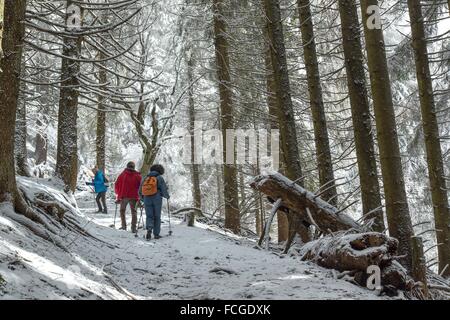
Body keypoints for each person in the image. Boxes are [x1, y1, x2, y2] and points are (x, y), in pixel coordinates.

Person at [140, 164, 170, 240]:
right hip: (157, 198)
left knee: (149, 215)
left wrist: (142, 198)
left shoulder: (146, 177)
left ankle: (149, 229)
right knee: (157, 216)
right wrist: (167, 196)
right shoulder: (159, 178)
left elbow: (140, 190)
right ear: (160, 171)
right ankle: (156, 234)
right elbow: (163, 189)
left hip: (147, 198)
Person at [115, 161, 142, 232]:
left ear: (127, 166)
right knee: (134, 212)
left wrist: (118, 195)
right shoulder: (138, 176)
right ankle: (133, 228)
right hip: (134, 197)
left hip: (124, 196)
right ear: (134, 167)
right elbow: (141, 187)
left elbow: (117, 185)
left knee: (122, 211)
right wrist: (141, 197)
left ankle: (123, 226)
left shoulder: (122, 175)